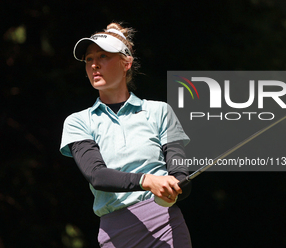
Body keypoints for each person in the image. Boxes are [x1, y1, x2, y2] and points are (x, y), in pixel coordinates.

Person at [60, 22, 192, 248]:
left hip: (165, 225)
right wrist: (147, 180)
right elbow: (97, 175)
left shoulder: (159, 111)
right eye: (89, 59)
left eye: (103, 56)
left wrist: (176, 187)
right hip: (115, 233)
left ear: (126, 63)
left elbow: (180, 172)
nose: (94, 65)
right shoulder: (78, 121)